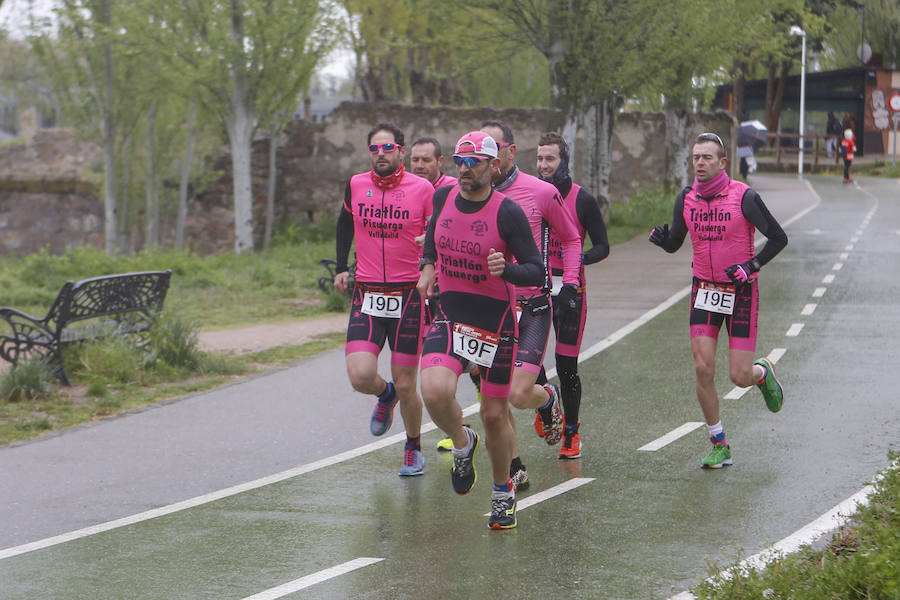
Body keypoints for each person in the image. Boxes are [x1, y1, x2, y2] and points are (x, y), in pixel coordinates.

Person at [417, 131, 544, 529]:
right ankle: (461, 441)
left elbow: (536, 269)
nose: (465, 169)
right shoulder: (444, 197)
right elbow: (433, 240)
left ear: (494, 166)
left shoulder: (507, 213)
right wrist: (427, 266)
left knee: (493, 415)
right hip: (451, 314)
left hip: (495, 323)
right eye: (460, 161)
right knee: (434, 391)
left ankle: (502, 491)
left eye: (474, 162)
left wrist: (506, 269)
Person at [648, 132, 788, 469]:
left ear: (722, 162)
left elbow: (778, 238)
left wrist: (751, 265)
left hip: (740, 291)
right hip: (705, 291)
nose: (699, 163)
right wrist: (664, 240)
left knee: (739, 376)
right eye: (696, 157)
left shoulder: (745, 198)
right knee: (701, 366)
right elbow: (676, 243)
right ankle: (719, 442)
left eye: (707, 157)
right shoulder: (686, 199)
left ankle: (761, 372)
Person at [480, 119, 582, 490]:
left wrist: (569, 285)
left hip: (533, 305)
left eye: (492, 149)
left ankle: (546, 398)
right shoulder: (471, 196)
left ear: (510, 150)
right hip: (490, 308)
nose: (485, 158)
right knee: (491, 401)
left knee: (518, 393)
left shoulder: (539, 192)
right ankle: (513, 467)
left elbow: (571, 238)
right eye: (479, 151)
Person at [334, 122, 435, 477]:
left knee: (409, 383)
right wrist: (342, 266)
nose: (381, 155)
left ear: (401, 151)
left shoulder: (422, 189)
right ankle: (384, 394)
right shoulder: (356, 184)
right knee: (361, 375)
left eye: (387, 148)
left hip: (408, 295)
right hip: (368, 292)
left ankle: (412, 446)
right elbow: (344, 223)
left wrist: (429, 266)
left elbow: (436, 233)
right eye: (374, 149)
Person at [536, 132, 610, 459]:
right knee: (526, 362)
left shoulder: (583, 200)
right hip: (535, 289)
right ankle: (546, 407)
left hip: (570, 292)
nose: (543, 165)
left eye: (550, 159)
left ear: (564, 161)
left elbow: (602, 246)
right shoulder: (530, 195)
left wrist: (577, 260)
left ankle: (571, 432)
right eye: (539, 159)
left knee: (566, 366)